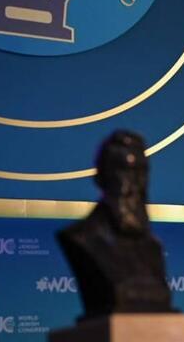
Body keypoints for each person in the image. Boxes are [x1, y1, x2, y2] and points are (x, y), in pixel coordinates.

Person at [57, 130, 175, 320]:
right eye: (125, 171)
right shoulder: (83, 238)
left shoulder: (153, 247)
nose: (136, 183)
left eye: (142, 171)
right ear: (102, 179)